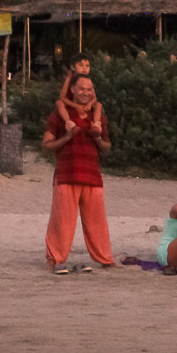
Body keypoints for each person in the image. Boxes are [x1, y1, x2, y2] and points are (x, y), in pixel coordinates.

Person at [42, 75, 115, 273]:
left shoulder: (97, 116)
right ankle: (55, 259)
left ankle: (105, 259)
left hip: (93, 176)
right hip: (66, 175)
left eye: (89, 89)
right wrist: (67, 136)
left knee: (97, 222)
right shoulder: (59, 115)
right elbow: (46, 145)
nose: (86, 93)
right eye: (82, 89)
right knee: (62, 222)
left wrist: (98, 137)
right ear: (72, 90)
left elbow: (107, 147)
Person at [55, 53, 103, 134]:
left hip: (85, 105)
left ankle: (96, 125)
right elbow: (62, 97)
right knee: (59, 103)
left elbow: (94, 97)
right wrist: (76, 106)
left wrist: (90, 104)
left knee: (98, 105)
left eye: (87, 66)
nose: (84, 68)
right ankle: (69, 123)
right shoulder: (70, 78)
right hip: (71, 103)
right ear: (73, 67)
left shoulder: (87, 80)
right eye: (81, 65)